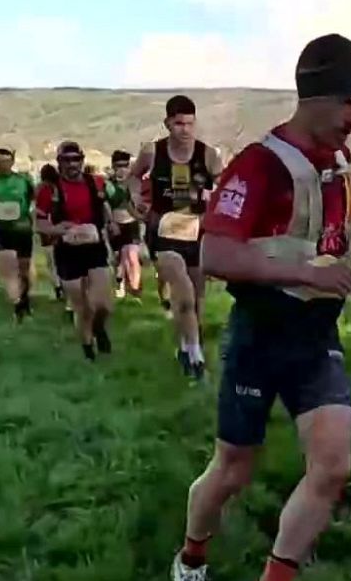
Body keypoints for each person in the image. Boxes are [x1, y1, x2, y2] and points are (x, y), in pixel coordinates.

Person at [167, 33, 351, 581]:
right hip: (260, 335)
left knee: (333, 465)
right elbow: (216, 253)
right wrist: (306, 272)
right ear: (313, 96)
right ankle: (191, 561)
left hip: (316, 336)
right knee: (233, 469)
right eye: (346, 102)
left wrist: (339, 265)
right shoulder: (258, 165)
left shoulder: (339, 161)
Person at [129, 95, 223, 380]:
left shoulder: (207, 154)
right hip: (163, 231)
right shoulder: (153, 152)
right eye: (179, 124)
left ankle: (185, 344)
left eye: (190, 124)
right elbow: (133, 177)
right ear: (167, 123)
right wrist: (136, 196)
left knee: (197, 299)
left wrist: (213, 197)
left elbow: (224, 187)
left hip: (196, 231)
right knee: (182, 290)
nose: (185, 130)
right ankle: (196, 358)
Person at [34, 142, 117, 359]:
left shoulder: (96, 183)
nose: (72, 164)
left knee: (103, 304)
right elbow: (39, 222)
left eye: (76, 159)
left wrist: (111, 223)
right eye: (66, 160)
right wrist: (57, 229)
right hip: (67, 251)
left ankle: (99, 327)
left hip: (94, 247)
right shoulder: (49, 190)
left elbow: (109, 204)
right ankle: (88, 350)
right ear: (59, 163)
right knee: (82, 307)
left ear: (82, 160)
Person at [0, 148, 39, 320]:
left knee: (24, 268)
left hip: (22, 228)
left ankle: (26, 297)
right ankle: (17, 303)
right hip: (1, 229)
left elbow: (35, 200)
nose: (3, 164)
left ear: (12, 162)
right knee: (7, 267)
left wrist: (34, 219)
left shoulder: (23, 181)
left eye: (6, 161)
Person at [104, 150, 143, 299]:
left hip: (131, 223)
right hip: (115, 223)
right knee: (118, 258)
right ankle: (120, 283)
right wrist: (111, 222)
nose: (122, 169)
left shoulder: (134, 183)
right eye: (118, 166)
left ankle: (135, 290)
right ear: (113, 167)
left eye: (125, 165)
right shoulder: (108, 184)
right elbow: (106, 205)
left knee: (132, 256)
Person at [35, 163, 67, 309]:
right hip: (61, 225)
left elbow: (39, 209)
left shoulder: (42, 189)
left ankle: (58, 286)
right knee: (62, 258)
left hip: (46, 226)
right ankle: (64, 284)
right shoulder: (61, 188)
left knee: (51, 260)